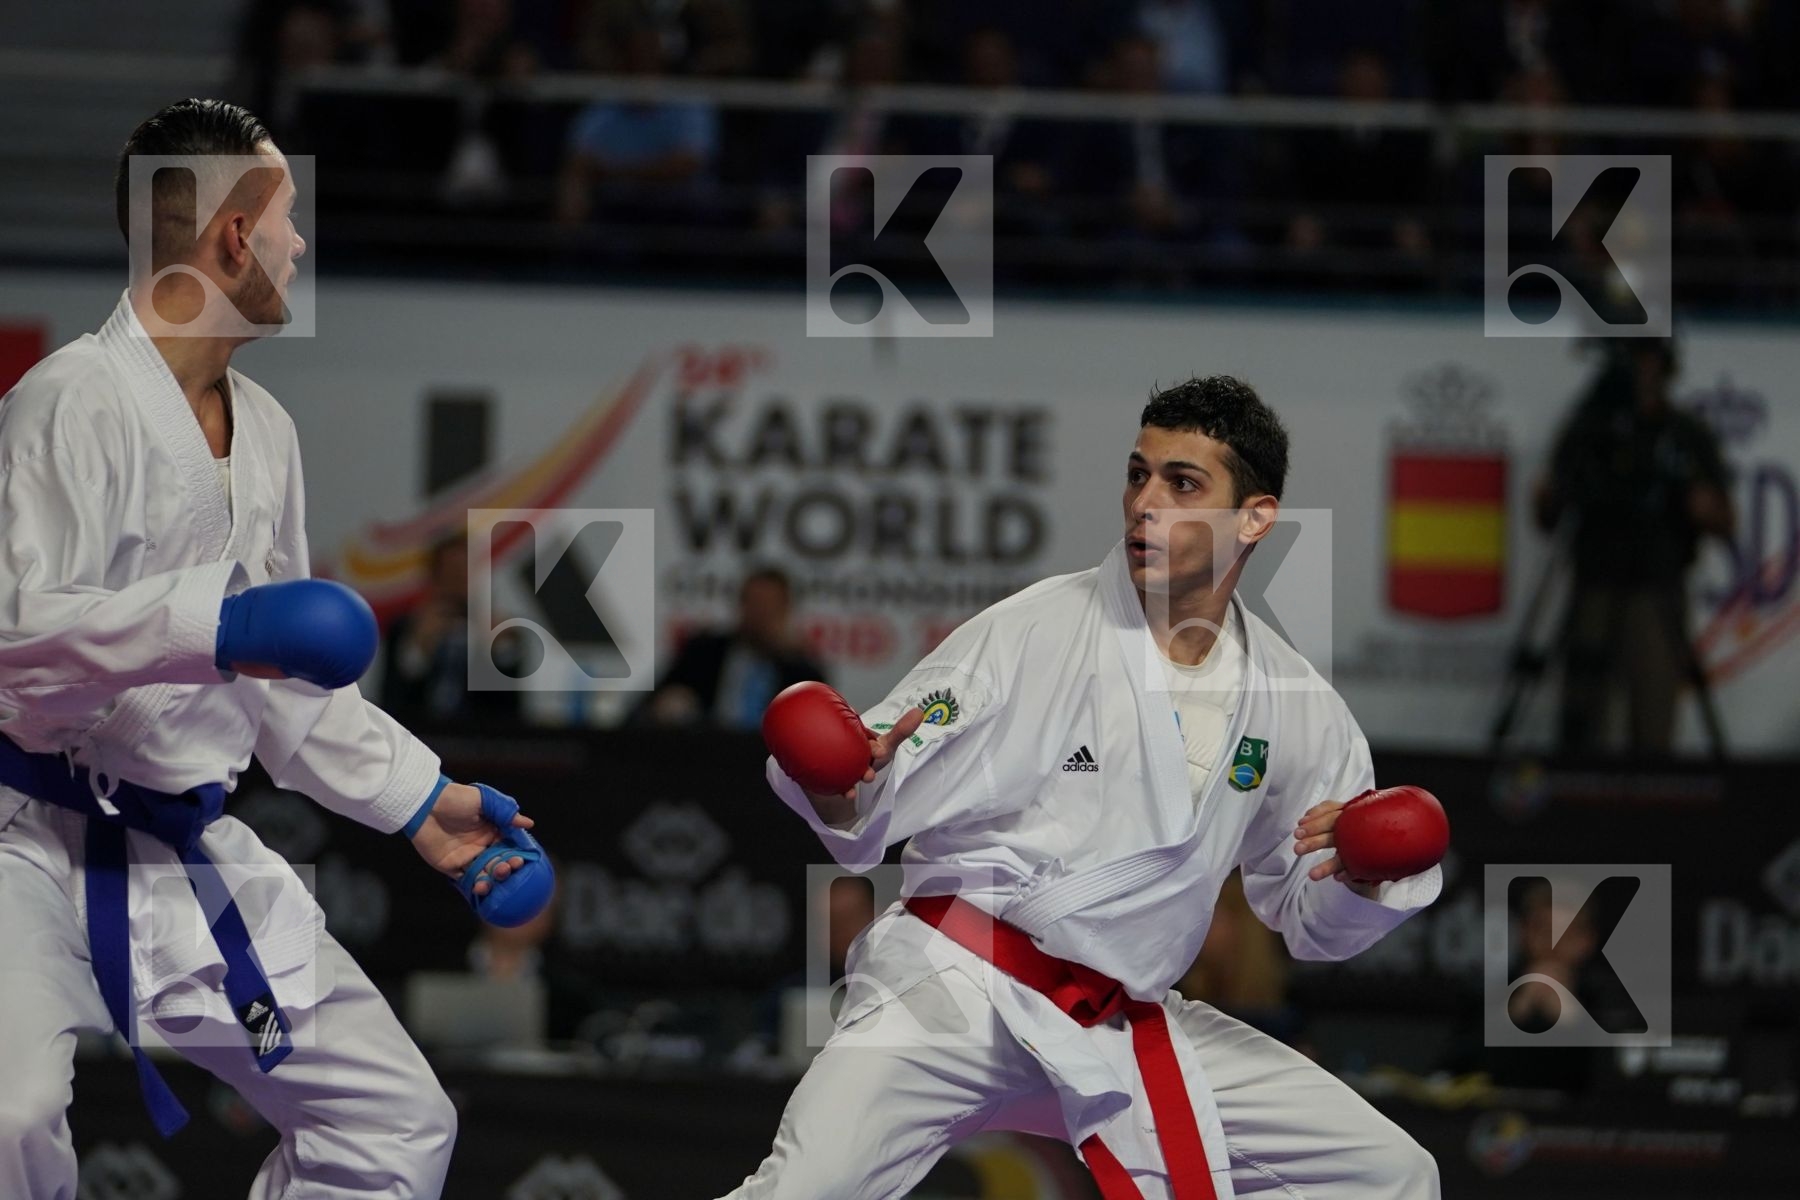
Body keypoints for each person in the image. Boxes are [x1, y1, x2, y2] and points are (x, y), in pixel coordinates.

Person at [0, 99, 548, 1198]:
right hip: (21, 843)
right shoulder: (70, 400)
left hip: (177, 850)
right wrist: (215, 624)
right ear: (234, 237)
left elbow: (286, 691)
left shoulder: (270, 432)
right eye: (289, 220)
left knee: (393, 1124)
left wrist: (421, 803)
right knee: (7, 1117)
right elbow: (19, 637)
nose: (301, 246)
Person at [734, 376, 1443, 1198]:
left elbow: (1312, 925)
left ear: (1254, 517)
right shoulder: (1031, 630)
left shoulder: (1297, 706)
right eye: (1138, 473)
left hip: (1121, 1018)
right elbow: (868, 794)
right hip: (958, 986)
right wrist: (836, 780)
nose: (1145, 502)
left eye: (1183, 483)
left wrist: (1357, 878)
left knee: (1389, 1173)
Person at [1533, 339, 1734, 755]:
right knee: (1584, 721)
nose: (1640, 372)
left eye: (1648, 360)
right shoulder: (1590, 430)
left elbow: (1724, 519)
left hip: (1656, 587)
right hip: (1595, 582)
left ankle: (1650, 810)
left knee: (1653, 717)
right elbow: (1549, 513)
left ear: (1665, 367)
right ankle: (1578, 807)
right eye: (1631, 360)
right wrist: (1551, 493)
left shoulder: (1684, 435)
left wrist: (1701, 505)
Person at [636, 567, 827, 729]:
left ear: (785, 610)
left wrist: (788, 656)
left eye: (769, 606)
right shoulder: (703, 652)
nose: (760, 615)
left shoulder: (803, 672)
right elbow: (645, 707)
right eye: (754, 603)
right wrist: (665, 706)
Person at [380, 532, 524, 724]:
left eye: (465, 573)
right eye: (450, 573)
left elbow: (511, 709)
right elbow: (391, 700)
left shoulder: (503, 632)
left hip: (482, 742)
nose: (458, 583)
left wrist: (498, 648)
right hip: (418, 736)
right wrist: (418, 649)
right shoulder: (405, 629)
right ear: (434, 577)